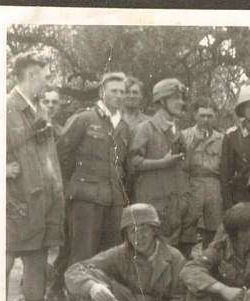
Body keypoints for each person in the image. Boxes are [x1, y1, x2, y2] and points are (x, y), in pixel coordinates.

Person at [6, 52, 64, 301]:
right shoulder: (4, 108)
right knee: (2, 262)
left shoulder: (39, 109)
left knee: (36, 263)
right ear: (32, 75)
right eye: (46, 75)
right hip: (13, 203)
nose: (48, 80)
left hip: (40, 203)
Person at [65, 203, 186, 301]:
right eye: (133, 231)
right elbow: (74, 271)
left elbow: (180, 300)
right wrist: (92, 287)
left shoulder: (174, 258)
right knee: (93, 282)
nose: (138, 236)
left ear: (154, 230)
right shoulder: (120, 253)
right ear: (126, 235)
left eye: (143, 229)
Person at [57, 72, 131, 265]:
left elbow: (123, 164)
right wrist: (73, 185)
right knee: (83, 253)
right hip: (86, 197)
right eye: (114, 91)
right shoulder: (84, 119)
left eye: (122, 92)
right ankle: (77, 295)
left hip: (114, 200)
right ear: (102, 92)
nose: (119, 95)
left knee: (111, 255)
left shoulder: (124, 126)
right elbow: (63, 154)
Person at [128, 78, 195, 257]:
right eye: (175, 98)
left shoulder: (177, 132)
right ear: (162, 101)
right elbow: (132, 163)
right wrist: (161, 163)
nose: (181, 102)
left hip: (175, 208)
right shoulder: (145, 128)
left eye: (181, 98)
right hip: (153, 208)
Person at [182, 97, 224, 249]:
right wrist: (193, 144)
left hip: (214, 187)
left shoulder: (222, 139)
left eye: (210, 116)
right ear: (195, 115)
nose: (206, 119)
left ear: (215, 117)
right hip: (192, 186)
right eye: (202, 115)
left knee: (214, 232)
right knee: (188, 229)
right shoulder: (184, 136)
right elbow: (180, 165)